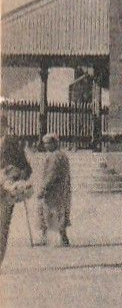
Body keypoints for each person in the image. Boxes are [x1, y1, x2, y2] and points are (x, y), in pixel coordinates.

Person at [0, 110, 33, 269]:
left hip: (7, 192)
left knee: (2, 228)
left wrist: (19, 178)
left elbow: (27, 168)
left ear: (5, 126)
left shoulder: (12, 143)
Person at [34, 134, 72, 247]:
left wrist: (43, 188)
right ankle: (61, 237)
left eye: (48, 143)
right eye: (45, 143)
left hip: (53, 190)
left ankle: (50, 238)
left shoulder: (55, 157)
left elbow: (51, 175)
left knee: (50, 212)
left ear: (54, 143)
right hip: (61, 190)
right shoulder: (61, 155)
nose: (46, 146)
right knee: (57, 212)